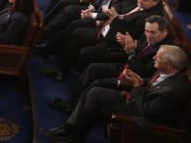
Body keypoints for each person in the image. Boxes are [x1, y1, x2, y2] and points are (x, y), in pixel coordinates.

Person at [41, 45, 189, 143]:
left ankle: (70, 134)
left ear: (170, 65)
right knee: (96, 92)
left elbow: (145, 112)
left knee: (97, 94)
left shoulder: (173, 90)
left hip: (141, 121)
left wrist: (136, 87)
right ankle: (70, 132)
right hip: (138, 102)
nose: (154, 58)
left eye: (158, 57)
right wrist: (138, 80)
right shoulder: (165, 71)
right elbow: (152, 83)